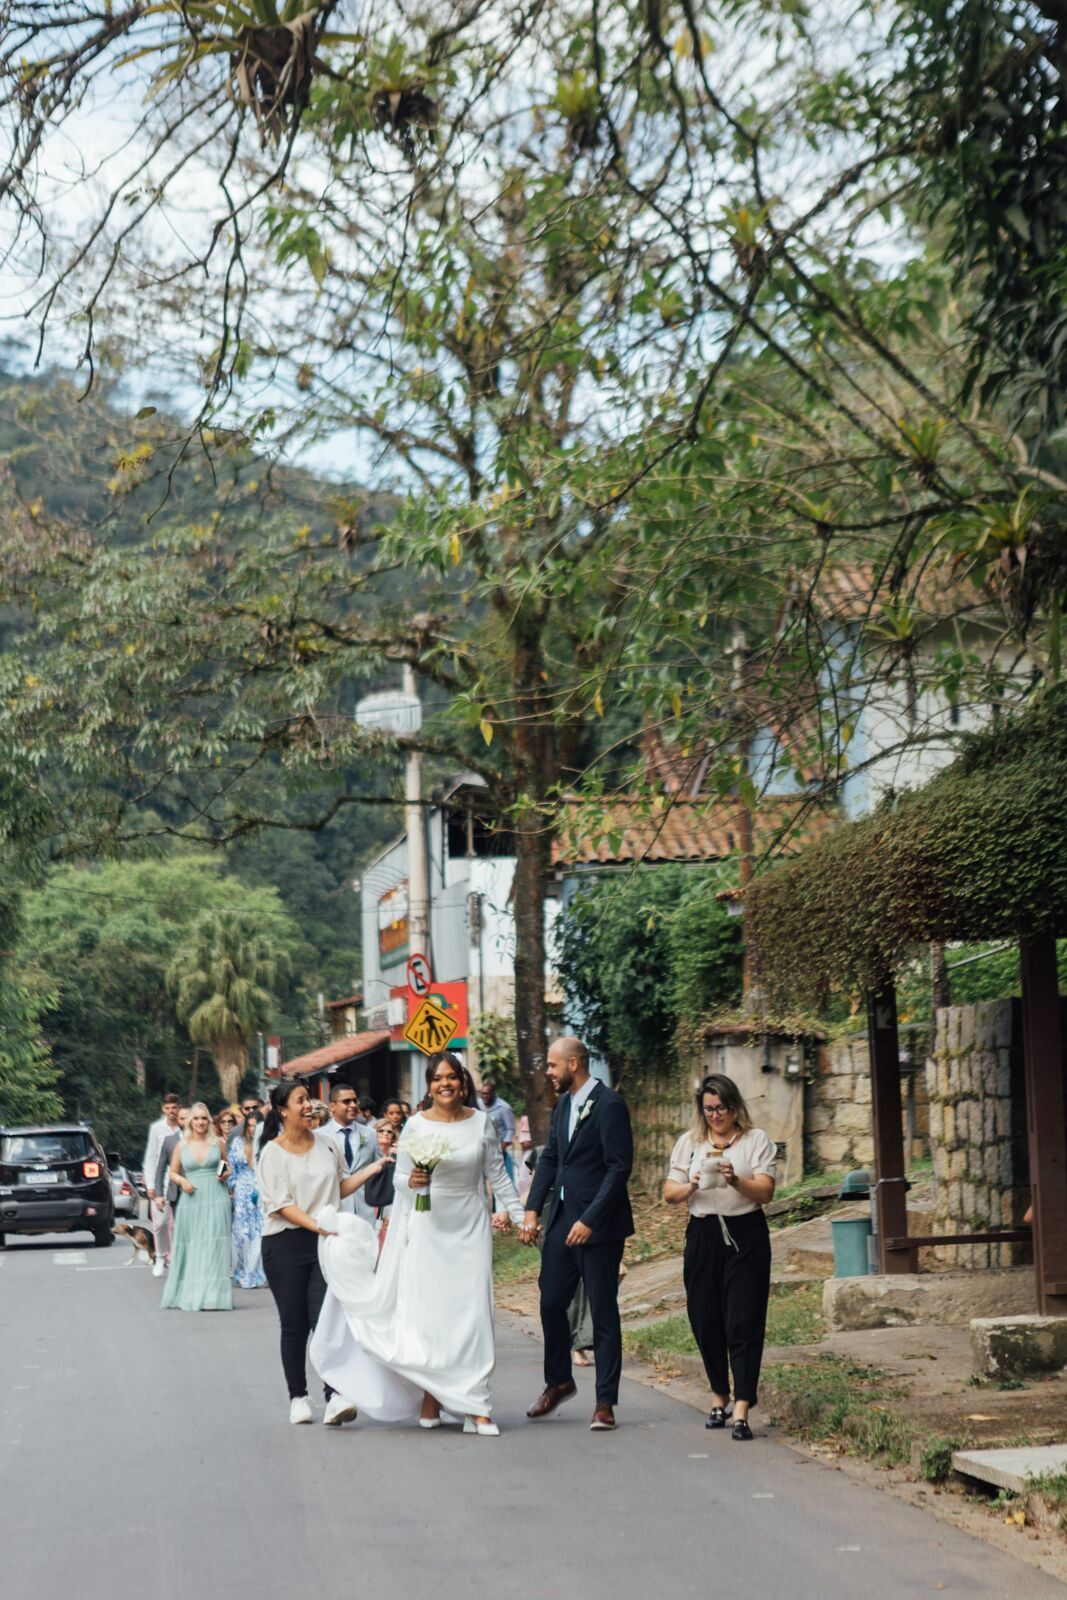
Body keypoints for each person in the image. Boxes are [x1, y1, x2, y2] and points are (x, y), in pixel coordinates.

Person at [311, 1050, 526, 1436]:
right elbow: (398, 1179)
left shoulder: (481, 1124)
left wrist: (520, 1213)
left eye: (452, 1077)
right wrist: (411, 1183)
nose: (446, 1084)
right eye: (437, 1078)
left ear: (463, 1082)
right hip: (428, 1228)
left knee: (474, 1314)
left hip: (470, 1227)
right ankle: (431, 1396)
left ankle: (476, 1404)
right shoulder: (416, 1126)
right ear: (430, 1086)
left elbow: (498, 1174)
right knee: (432, 1316)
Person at [257, 1081, 392, 1426]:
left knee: (326, 1319)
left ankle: (334, 1396)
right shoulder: (272, 1153)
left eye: (309, 1100)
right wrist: (319, 1225)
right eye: (300, 1101)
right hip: (285, 1244)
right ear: (283, 1110)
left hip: (325, 1244)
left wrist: (371, 1170)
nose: (307, 1106)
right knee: (294, 1324)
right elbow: (283, 1205)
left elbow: (339, 1187)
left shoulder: (328, 1144)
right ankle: (298, 1397)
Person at [520, 1036, 634, 1432]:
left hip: (598, 1226)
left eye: (552, 1066)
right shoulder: (563, 1105)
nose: (548, 1073)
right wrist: (533, 1210)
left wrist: (590, 1219)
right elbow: (551, 1158)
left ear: (573, 1063)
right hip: (562, 1218)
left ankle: (605, 1402)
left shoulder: (610, 1106)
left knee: (602, 1310)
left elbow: (618, 1169)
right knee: (551, 1301)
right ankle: (560, 1380)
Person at [664, 1073, 777, 1441]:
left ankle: (742, 1406)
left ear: (734, 1106)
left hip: (746, 1234)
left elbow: (765, 1192)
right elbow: (669, 1193)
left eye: (722, 1108)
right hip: (703, 1234)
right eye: (709, 1109)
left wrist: (734, 1180)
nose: (716, 1115)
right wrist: (694, 1183)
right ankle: (719, 1395)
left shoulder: (755, 1140)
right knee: (705, 1318)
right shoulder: (690, 1143)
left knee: (743, 1319)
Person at [161, 1102, 234, 1312]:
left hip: (216, 1195)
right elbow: (173, 1172)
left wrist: (223, 1173)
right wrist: (182, 1182)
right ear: (191, 1122)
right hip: (191, 1199)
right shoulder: (182, 1145)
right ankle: (193, 1293)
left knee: (214, 1245)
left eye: (204, 1118)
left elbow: (225, 1164)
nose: (201, 1122)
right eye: (197, 1118)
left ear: (209, 1121)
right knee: (194, 1245)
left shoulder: (218, 1142)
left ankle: (213, 1295)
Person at [317, 1082, 382, 1225]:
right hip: (333, 1210)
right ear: (332, 1106)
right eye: (346, 1101)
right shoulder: (319, 1136)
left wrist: (386, 1212)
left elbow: (381, 1174)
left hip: (365, 1211)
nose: (353, 1105)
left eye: (355, 1100)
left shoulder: (369, 1134)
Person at [143, 1094, 182, 1278]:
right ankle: (161, 1256)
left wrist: (221, 1176)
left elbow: (222, 1162)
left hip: (186, 1182)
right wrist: (151, 1184)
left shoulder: (187, 1129)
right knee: (161, 1223)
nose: (172, 1112)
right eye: (168, 1108)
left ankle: (177, 1257)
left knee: (179, 1225)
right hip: (164, 1180)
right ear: (163, 1109)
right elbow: (152, 1158)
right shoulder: (157, 1129)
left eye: (174, 1107)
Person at [228, 1111, 267, 1289]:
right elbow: (227, 1165)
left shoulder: (267, 1144)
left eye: (256, 1125)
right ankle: (242, 1271)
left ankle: (257, 1273)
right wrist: (229, 1183)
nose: (252, 1129)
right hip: (241, 1192)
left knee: (259, 1232)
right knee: (241, 1233)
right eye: (249, 1125)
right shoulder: (237, 1142)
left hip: (262, 1191)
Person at [479, 1079, 517, 1181]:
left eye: (487, 1094)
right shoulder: (479, 1104)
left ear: (493, 1094)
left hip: (498, 1151)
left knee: (499, 1180)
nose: (484, 1097)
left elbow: (510, 1129)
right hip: (481, 1149)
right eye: (482, 1094)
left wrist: (502, 1147)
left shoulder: (504, 1108)